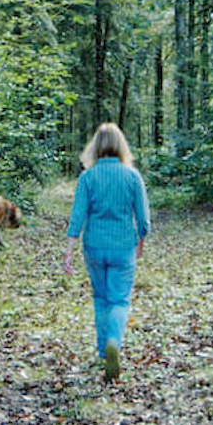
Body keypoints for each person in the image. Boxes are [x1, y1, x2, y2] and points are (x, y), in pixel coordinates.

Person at [64, 123, 150, 382]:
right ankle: (114, 341)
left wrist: (69, 251)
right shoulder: (132, 176)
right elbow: (144, 220)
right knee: (119, 299)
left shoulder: (88, 177)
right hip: (124, 246)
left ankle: (104, 352)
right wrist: (141, 243)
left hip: (94, 247)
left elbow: (77, 216)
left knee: (101, 298)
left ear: (95, 147)